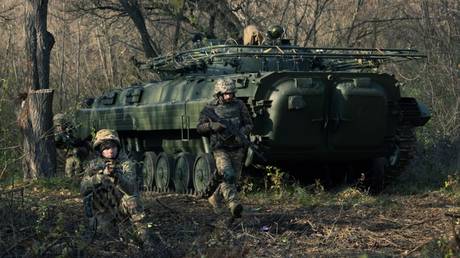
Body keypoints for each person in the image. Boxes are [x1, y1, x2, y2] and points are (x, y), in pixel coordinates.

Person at [80, 129, 149, 243]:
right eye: (106, 148)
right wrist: (100, 177)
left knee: (132, 200)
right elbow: (83, 189)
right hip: (103, 210)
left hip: (122, 207)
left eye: (113, 147)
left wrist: (118, 177)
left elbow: (131, 189)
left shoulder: (126, 164)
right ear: (100, 150)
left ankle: (145, 239)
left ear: (118, 147)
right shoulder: (93, 165)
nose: (110, 151)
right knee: (107, 239)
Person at [196, 79, 253, 218]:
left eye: (231, 93)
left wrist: (241, 133)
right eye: (226, 93)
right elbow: (199, 127)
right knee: (228, 174)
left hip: (237, 147)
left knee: (233, 180)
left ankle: (215, 197)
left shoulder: (239, 105)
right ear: (219, 93)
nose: (229, 96)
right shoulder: (210, 107)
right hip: (220, 148)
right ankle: (234, 204)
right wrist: (211, 126)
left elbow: (249, 124)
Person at [53, 113, 89, 178]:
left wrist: (65, 135)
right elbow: (57, 144)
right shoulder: (59, 133)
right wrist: (59, 136)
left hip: (80, 151)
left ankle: (78, 176)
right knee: (69, 169)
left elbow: (75, 142)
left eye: (60, 125)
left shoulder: (73, 129)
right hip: (70, 154)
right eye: (57, 126)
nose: (59, 127)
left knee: (76, 160)